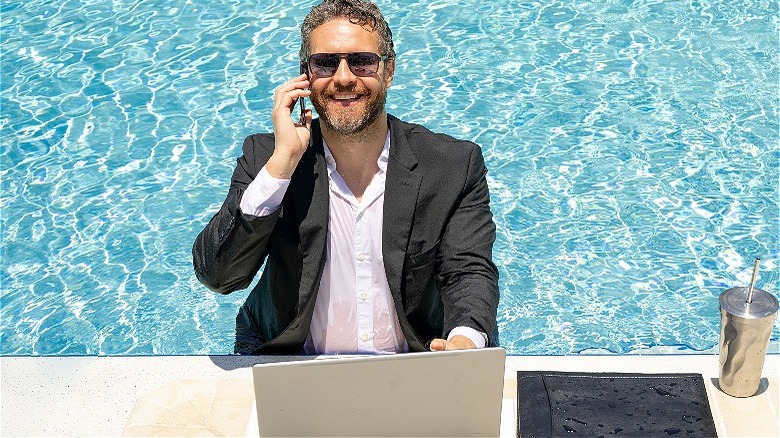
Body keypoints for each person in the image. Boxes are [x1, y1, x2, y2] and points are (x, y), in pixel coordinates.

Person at [192, 0, 498, 355]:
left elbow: (468, 271)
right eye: (325, 63)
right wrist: (282, 165)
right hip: (290, 363)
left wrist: (464, 341)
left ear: (389, 70)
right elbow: (218, 275)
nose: (343, 77)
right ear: (306, 76)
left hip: (413, 366)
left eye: (362, 61)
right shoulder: (269, 159)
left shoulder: (451, 166)